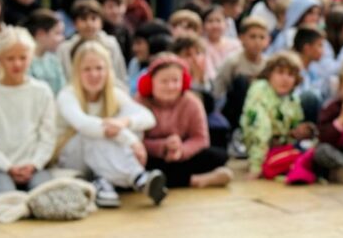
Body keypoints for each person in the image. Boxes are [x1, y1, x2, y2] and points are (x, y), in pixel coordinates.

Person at [56, 41, 168, 207]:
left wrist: (123, 123)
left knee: (123, 123)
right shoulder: (67, 95)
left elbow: (147, 117)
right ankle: (138, 178)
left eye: (99, 68)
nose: (94, 74)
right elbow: (85, 125)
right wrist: (131, 140)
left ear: (108, 70)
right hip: (71, 157)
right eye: (87, 69)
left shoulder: (114, 93)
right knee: (95, 132)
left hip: (100, 156)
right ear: (77, 72)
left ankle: (103, 182)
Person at [0, 28, 56, 195]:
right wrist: (8, 167)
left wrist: (34, 164)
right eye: (10, 58)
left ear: (31, 57)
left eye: (23, 58)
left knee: (44, 195)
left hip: (34, 166)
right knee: (7, 197)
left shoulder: (42, 91)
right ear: (0, 59)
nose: (17, 64)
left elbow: (48, 136)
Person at [136, 55, 233, 188]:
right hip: (152, 155)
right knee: (136, 163)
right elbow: (135, 141)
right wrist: (163, 146)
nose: (171, 86)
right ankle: (193, 180)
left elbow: (201, 138)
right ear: (151, 82)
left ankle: (171, 180)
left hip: (182, 153)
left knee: (218, 156)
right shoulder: (139, 103)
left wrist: (181, 150)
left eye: (175, 80)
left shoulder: (192, 102)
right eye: (164, 81)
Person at [240, 52, 314, 180]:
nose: (285, 79)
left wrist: (300, 132)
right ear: (269, 74)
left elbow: (292, 128)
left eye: (291, 75)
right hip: (260, 150)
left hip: (281, 147)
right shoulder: (259, 90)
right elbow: (260, 129)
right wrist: (256, 167)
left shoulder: (292, 98)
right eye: (280, 72)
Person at [215, 17, 269, 136]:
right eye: (252, 37)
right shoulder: (233, 62)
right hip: (235, 109)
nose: (257, 42)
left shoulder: (268, 64)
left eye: (262, 37)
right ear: (241, 38)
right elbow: (219, 90)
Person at [58, 0, 129, 86]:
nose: (89, 24)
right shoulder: (65, 48)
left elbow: (120, 75)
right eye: (83, 19)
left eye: (93, 19)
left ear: (101, 22)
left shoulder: (111, 44)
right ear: (75, 23)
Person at [26, 9, 67, 94]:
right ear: (41, 34)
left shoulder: (53, 60)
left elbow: (63, 90)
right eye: (57, 33)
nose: (62, 38)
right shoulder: (25, 61)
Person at [202, 4, 241, 81]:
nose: (215, 25)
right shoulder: (200, 46)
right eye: (210, 21)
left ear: (226, 24)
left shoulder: (236, 45)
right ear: (203, 25)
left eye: (218, 21)